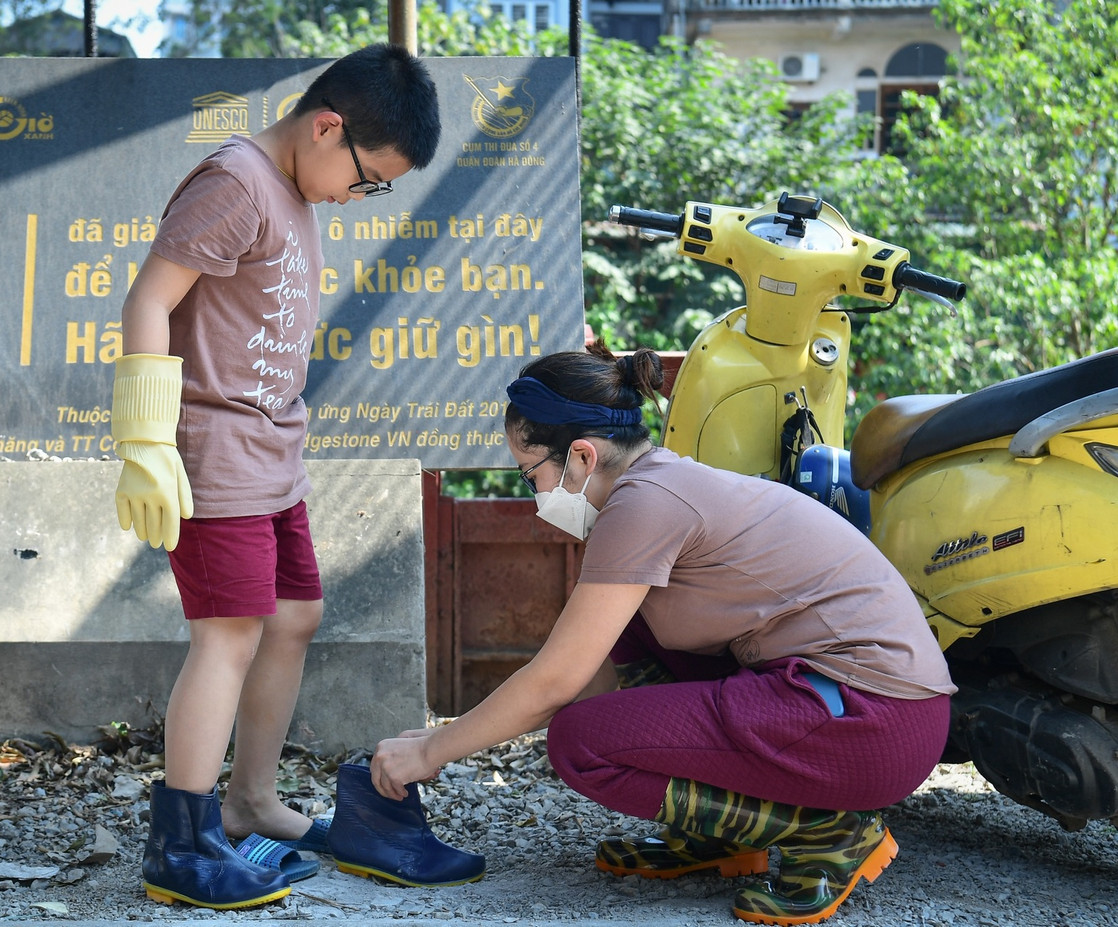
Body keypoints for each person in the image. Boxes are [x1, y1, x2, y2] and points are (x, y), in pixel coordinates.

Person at [371, 343, 956, 926]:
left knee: (580, 744)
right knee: (624, 634)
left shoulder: (644, 505)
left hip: (874, 723)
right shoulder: (656, 484)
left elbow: (557, 684)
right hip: (849, 704)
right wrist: (458, 736)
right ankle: (723, 834)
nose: (536, 494)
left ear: (580, 456)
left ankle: (830, 832)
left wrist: (430, 751)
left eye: (532, 475)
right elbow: (590, 675)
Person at [111, 43, 441, 910]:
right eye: (367, 180)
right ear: (328, 127)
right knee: (228, 635)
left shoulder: (294, 189)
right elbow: (149, 298)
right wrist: (145, 441)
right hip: (214, 450)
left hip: (273, 451)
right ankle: (181, 847)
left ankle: (250, 802)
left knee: (294, 615)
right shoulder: (236, 181)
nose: (357, 197)